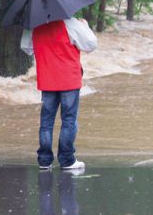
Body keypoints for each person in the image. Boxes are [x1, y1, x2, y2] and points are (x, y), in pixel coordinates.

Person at [21, 18, 97, 171]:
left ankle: (44, 160)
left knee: (46, 121)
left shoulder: (33, 25)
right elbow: (91, 44)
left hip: (47, 78)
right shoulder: (71, 23)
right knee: (69, 120)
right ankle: (67, 160)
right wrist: (86, 26)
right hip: (69, 78)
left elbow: (26, 47)